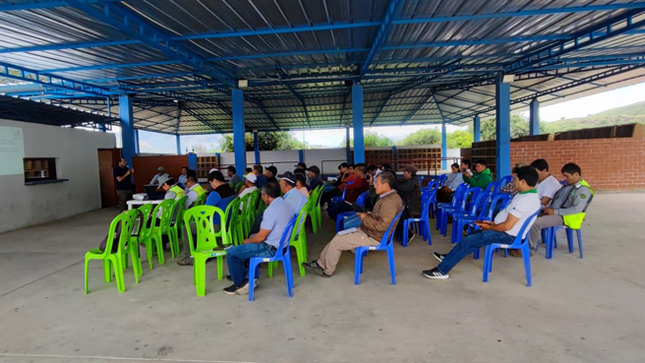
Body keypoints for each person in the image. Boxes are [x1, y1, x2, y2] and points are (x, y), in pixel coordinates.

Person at [422, 166, 541, 280]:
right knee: (472, 234)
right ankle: (450, 257)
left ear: (523, 182)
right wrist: (491, 225)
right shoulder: (526, 195)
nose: (513, 182)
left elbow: (507, 226)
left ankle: (442, 270)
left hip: (508, 235)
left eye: (515, 179)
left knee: (469, 241)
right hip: (504, 230)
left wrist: (491, 226)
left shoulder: (526, 201)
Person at [303, 172, 404, 277]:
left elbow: (383, 225)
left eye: (377, 183)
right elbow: (381, 218)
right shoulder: (389, 197)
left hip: (374, 236)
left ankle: (327, 270)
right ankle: (321, 264)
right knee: (338, 235)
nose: (374, 185)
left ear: (386, 185)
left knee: (337, 241)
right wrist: (367, 215)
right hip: (369, 231)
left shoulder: (389, 202)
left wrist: (365, 217)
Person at [224, 183, 295, 295]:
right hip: (282, 245)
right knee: (248, 244)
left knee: (232, 253)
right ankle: (248, 277)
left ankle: (239, 283)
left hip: (269, 248)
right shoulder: (286, 205)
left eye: (262, 195)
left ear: (266, 196)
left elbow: (260, 238)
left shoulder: (271, 210)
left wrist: (247, 241)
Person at [528, 163, 594, 250]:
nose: (565, 179)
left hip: (567, 217)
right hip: (557, 212)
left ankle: (529, 250)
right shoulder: (569, 185)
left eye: (567, 176)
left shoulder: (583, 190)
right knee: (527, 217)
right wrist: (549, 209)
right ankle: (519, 243)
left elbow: (576, 209)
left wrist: (555, 211)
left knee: (535, 223)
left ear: (576, 174)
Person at [395, 165, 422, 244]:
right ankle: (400, 233)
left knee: (398, 217)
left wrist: (393, 183)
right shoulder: (410, 180)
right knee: (395, 214)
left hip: (413, 210)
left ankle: (408, 234)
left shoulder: (412, 182)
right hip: (408, 206)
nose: (403, 174)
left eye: (405, 172)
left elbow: (402, 188)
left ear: (409, 173)